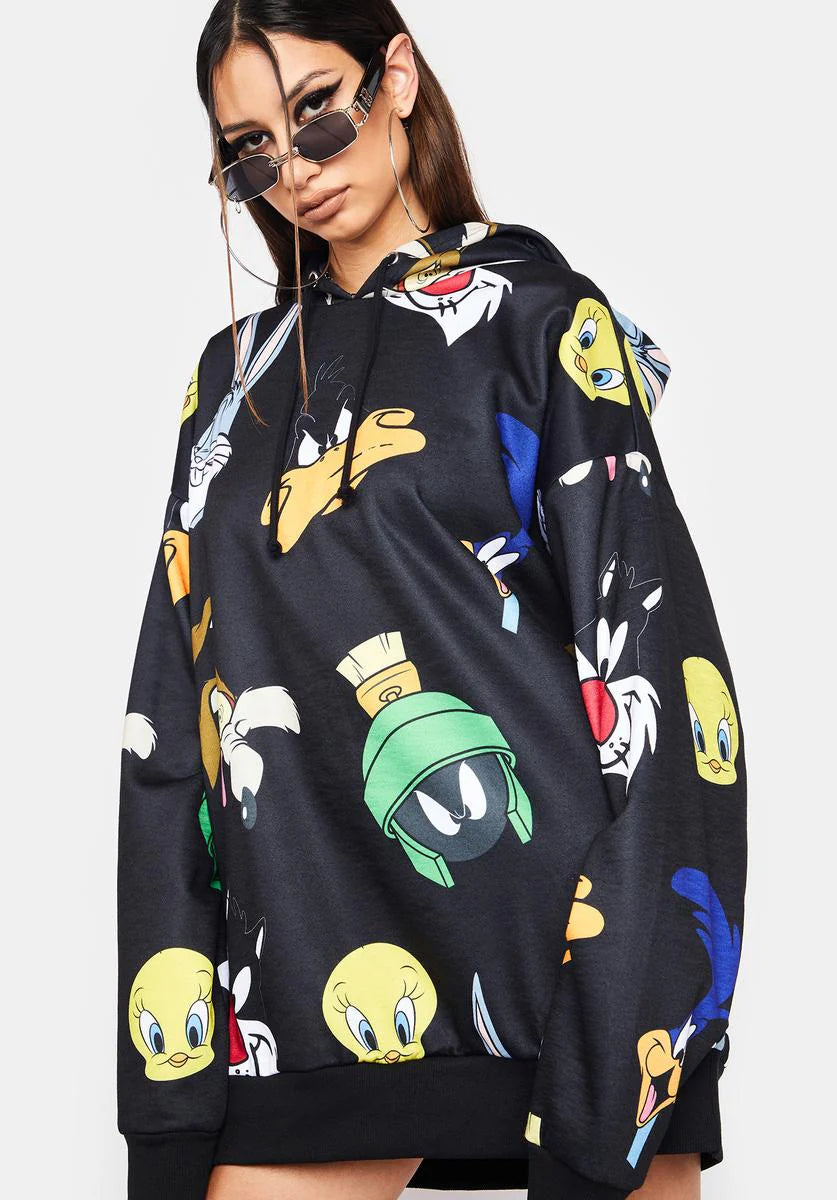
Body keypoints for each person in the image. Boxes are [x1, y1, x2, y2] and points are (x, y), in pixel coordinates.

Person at [116, 3, 748, 1199]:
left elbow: (661, 685)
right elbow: (170, 732)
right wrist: (169, 1104)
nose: (296, 168)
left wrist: (629, 1032)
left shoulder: (544, 322)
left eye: (318, 111)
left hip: (567, 973)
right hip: (306, 981)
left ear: (397, 75)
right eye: (251, 149)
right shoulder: (229, 384)